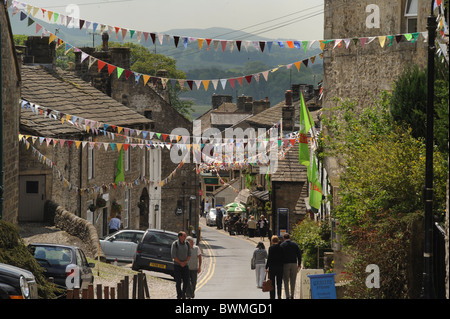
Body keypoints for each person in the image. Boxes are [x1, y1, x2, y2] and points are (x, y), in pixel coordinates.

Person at [280, 233, 302, 299]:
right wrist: (299, 264)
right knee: (293, 280)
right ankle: (292, 295)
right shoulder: (295, 244)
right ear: (289, 237)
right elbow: (299, 254)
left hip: (285, 264)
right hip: (294, 264)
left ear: (284, 238)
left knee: (286, 281)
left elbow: (280, 256)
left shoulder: (282, 245)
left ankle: (287, 296)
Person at [171, 231, 191, 299]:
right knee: (178, 282)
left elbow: (189, 254)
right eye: (184, 236)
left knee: (186, 280)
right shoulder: (175, 244)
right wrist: (180, 263)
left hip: (185, 265)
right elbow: (173, 256)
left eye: (185, 236)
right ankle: (179, 295)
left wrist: (185, 262)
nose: (185, 237)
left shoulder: (187, 244)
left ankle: (183, 293)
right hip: (177, 265)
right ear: (180, 237)